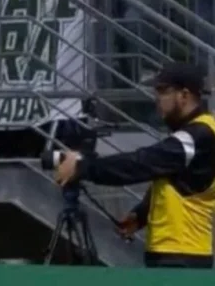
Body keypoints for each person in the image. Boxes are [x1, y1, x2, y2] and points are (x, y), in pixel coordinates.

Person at [55, 62, 215, 269]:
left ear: (184, 95)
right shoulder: (198, 132)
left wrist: (81, 167)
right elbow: (179, 182)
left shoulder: (196, 135)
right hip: (178, 253)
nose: (156, 98)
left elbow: (140, 164)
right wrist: (140, 215)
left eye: (163, 91)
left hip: (180, 256)